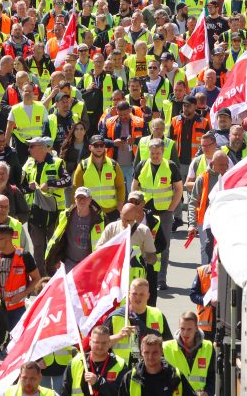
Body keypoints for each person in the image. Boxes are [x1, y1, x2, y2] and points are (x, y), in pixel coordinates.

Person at [130, 139, 184, 290]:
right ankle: (142, 276)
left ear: (163, 152)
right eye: (152, 153)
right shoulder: (142, 165)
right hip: (145, 212)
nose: (155, 156)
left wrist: (171, 209)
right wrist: (135, 206)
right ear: (149, 152)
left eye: (158, 153)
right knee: (140, 244)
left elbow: (179, 189)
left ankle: (161, 280)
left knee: (163, 247)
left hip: (164, 212)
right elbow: (134, 186)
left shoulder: (170, 166)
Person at [22, 136, 72, 267]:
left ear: (41, 148)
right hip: (34, 212)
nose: (29, 149)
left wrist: (50, 183)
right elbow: (22, 187)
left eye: (32, 146)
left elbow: (67, 180)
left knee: (53, 245)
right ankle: (40, 277)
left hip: (54, 212)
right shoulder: (28, 164)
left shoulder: (57, 162)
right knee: (38, 247)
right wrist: (29, 187)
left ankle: (53, 275)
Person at [105, 279, 172, 364]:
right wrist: (119, 336)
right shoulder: (116, 317)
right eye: (134, 294)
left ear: (148, 296)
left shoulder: (157, 315)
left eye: (142, 294)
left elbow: (169, 345)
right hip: (122, 371)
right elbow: (99, 345)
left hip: (150, 369)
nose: (138, 297)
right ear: (129, 294)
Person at [0, 224, 40, 328]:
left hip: (17, 309)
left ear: (7, 239)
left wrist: (23, 294)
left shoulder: (24, 256)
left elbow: (36, 278)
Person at [45, 186, 106, 274]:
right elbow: (59, 240)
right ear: (74, 199)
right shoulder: (65, 216)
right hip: (70, 263)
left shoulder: (100, 218)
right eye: (79, 197)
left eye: (84, 197)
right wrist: (56, 259)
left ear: (90, 199)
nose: (81, 200)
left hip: (90, 263)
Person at [60, 324, 126, 396]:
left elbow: (123, 392)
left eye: (104, 343)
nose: (100, 346)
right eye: (96, 342)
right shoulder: (75, 363)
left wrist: (97, 382)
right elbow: (65, 392)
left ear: (109, 342)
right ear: (90, 341)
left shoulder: (120, 363)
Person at [73, 135, 126, 223]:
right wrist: (77, 207)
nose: (99, 148)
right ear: (90, 147)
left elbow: (120, 186)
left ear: (105, 147)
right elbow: (76, 187)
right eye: (96, 145)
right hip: (90, 211)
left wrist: (120, 203)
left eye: (101, 145)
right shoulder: (83, 166)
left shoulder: (114, 165)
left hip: (111, 211)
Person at [118, 335, 194, 396]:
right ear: (141, 353)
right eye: (146, 352)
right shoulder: (130, 378)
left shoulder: (175, 376)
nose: (150, 357)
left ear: (162, 352)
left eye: (155, 352)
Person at [162, 313, 215, 396]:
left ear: (196, 328)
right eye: (182, 329)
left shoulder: (208, 347)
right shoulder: (165, 348)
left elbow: (212, 376)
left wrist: (208, 392)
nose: (185, 333)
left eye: (189, 329)